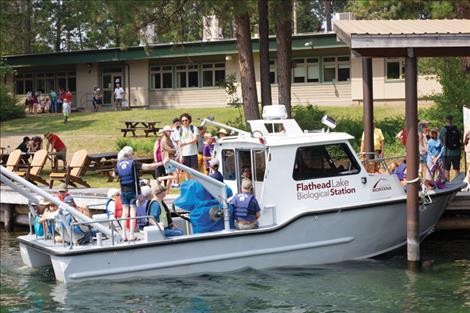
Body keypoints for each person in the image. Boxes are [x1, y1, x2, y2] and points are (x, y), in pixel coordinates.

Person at [116, 146, 167, 241]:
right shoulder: (133, 163)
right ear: (130, 154)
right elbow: (148, 166)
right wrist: (161, 163)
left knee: (124, 213)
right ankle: (131, 235)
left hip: (123, 191)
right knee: (132, 213)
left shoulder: (118, 164)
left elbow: (115, 174)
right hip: (132, 191)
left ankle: (124, 234)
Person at [439, 115, 461, 181]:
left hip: (447, 153)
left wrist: (446, 144)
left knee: (446, 170)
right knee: (457, 169)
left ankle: (447, 184)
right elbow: (459, 140)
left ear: (445, 120)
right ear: (452, 120)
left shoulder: (443, 129)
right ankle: (457, 183)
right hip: (456, 153)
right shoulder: (457, 129)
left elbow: (441, 141)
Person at [158, 125, 178, 190]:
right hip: (167, 159)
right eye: (168, 131)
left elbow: (173, 147)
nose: (170, 132)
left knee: (170, 177)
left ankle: (166, 191)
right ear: (165, 132)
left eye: (170, 131)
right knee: (175, 175)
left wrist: (174, 150)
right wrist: (175, 150)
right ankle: (160, 178)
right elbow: (169, 149)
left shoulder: (169, 139)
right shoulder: (164, 140)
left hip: (170, 159)